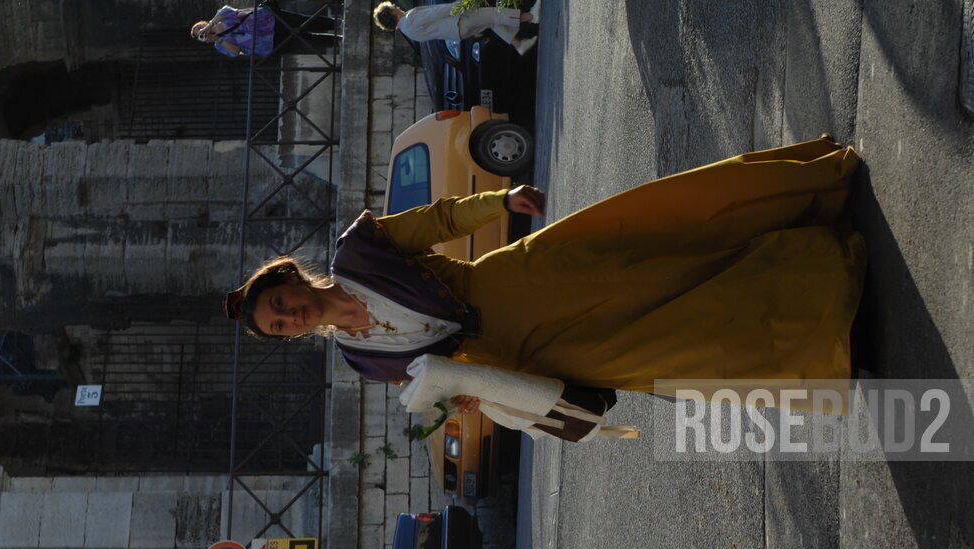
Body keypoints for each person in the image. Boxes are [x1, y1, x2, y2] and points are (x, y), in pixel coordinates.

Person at [226, 136, 866, 409]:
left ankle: (810, 204)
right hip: (526, 352)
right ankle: (819, 322)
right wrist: (468, 399)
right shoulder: (361, 362)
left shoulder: (358, 251)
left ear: (291, 279)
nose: (290, 317)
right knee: (676, 343)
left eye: (280, 302)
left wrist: (500, 203)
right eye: (281, 327)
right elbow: (441, 384)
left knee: (670, 260)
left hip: (526, 282)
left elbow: (439, 219)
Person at [372, 2, 539, 56]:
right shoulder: (410, 18)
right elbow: (436, 12)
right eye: (393, 7)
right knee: (494, 14)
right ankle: (531, 17)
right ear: (392, 12)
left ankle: (518, 44)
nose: (396, 6)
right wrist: (459, 5)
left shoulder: (408, 32)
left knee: (491, 22)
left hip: (457, 32)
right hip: (459, 20)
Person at [192, 4, 338, 59]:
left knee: (302, 22)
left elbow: (227, 9)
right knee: (303, 41)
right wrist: (217, 39)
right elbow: (235, 52)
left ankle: (335, 24)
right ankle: (336, 40)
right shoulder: (219, 45)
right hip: (268, 43)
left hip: (267, 20)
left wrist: (211, 24)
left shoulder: (218, 18)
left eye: (199, 28)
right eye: (199, 35)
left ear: (203, 23)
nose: (201, 32)